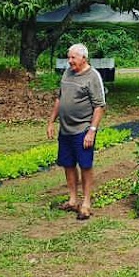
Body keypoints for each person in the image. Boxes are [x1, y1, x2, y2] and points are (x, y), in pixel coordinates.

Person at [46, 43, 106, 220]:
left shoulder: (93, 77)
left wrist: (92, 131)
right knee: (68, 164)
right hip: (65, 129)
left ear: (84, 58)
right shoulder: (67, 73)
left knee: (85, 165)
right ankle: (73, 200)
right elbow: (60, 99)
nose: (70, 61)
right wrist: (51, 122)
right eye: (69, 57)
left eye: (73, 58)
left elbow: (99, 106)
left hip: (82, 130)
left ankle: (86, 203)